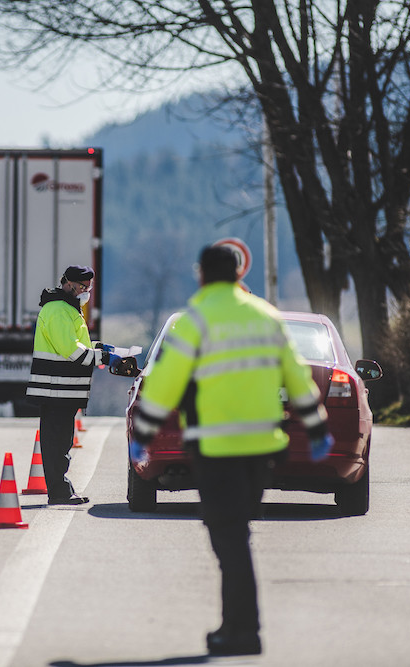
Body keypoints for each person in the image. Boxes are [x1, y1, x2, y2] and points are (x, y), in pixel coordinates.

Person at [130, 243, 333, 657]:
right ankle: (237, 627)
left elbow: (165, 384)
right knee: (236, 535)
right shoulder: (266, 317)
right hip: (261, 450)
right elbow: (297, 378)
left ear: (202, 274)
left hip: (216, 448)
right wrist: (315, 429)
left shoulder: (197, 321)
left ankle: (243, 632)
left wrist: (144, 435)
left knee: (230, 539)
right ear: (240, 275)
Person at [26, 264, 122, 505]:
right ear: (68, 284)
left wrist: (98, 348)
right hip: (56, 388)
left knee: (61, 441)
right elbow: (71, 350)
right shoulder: (58, 310)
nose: (85, 292)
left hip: (63, 389)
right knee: (57, 442)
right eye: (82, 287)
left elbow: (75, 342)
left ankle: (62, 488)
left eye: (88, 287)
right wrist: (103, 357)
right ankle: (59, 492)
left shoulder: (67, 308)